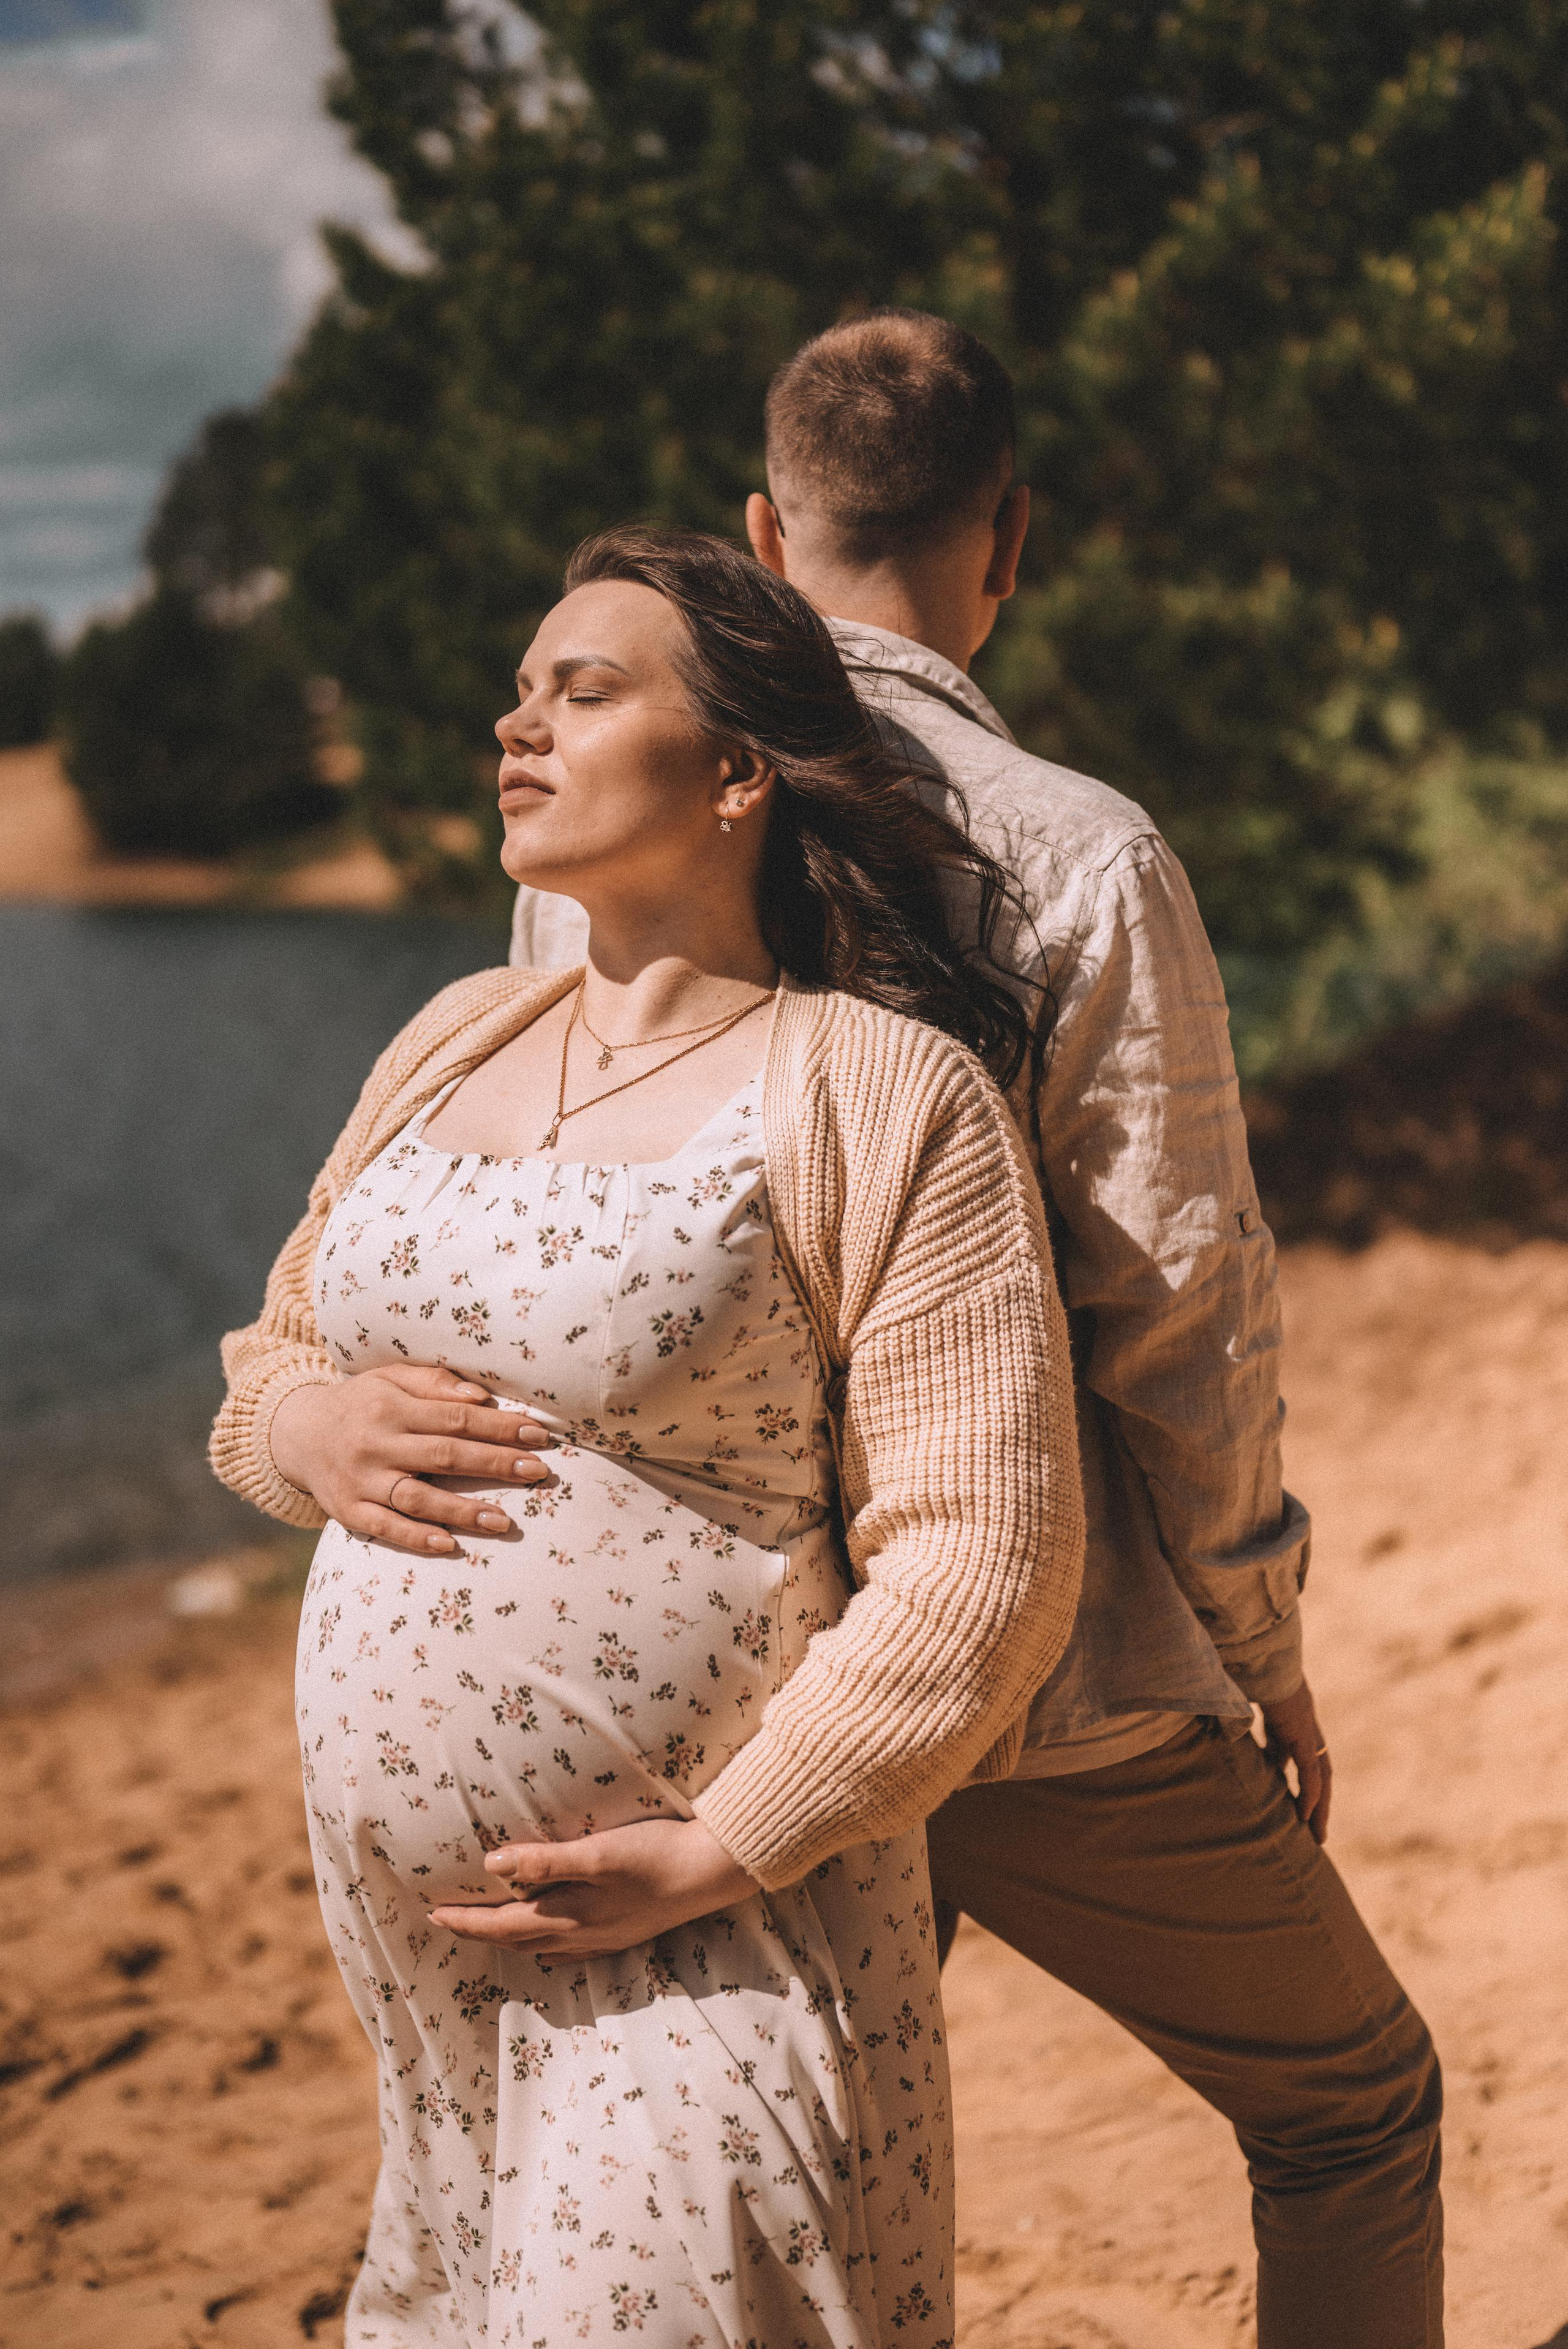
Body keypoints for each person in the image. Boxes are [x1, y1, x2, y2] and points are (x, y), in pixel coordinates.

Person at [508, 316, 1444, 2349]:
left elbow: (564, 1253)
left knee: (745, 2186)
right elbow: (1178, 1313)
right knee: (1353, 2105)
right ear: (1005, 536)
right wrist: (1260, 1647)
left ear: (766, 532)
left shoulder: (605, 827)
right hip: (1052, 1683)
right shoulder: (1085, 849)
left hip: (732, 1669)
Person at [211, 524, 1085, 2349]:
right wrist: (312, 1422)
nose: (517, 724)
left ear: (743, 771)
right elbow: (271, 1348)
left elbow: (986, 1553)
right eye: (520, 691)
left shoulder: (877, 1086)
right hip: (427, 1983)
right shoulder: (457, 1031)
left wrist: (729, 1842)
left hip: (715, 1938)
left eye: (584, 690)